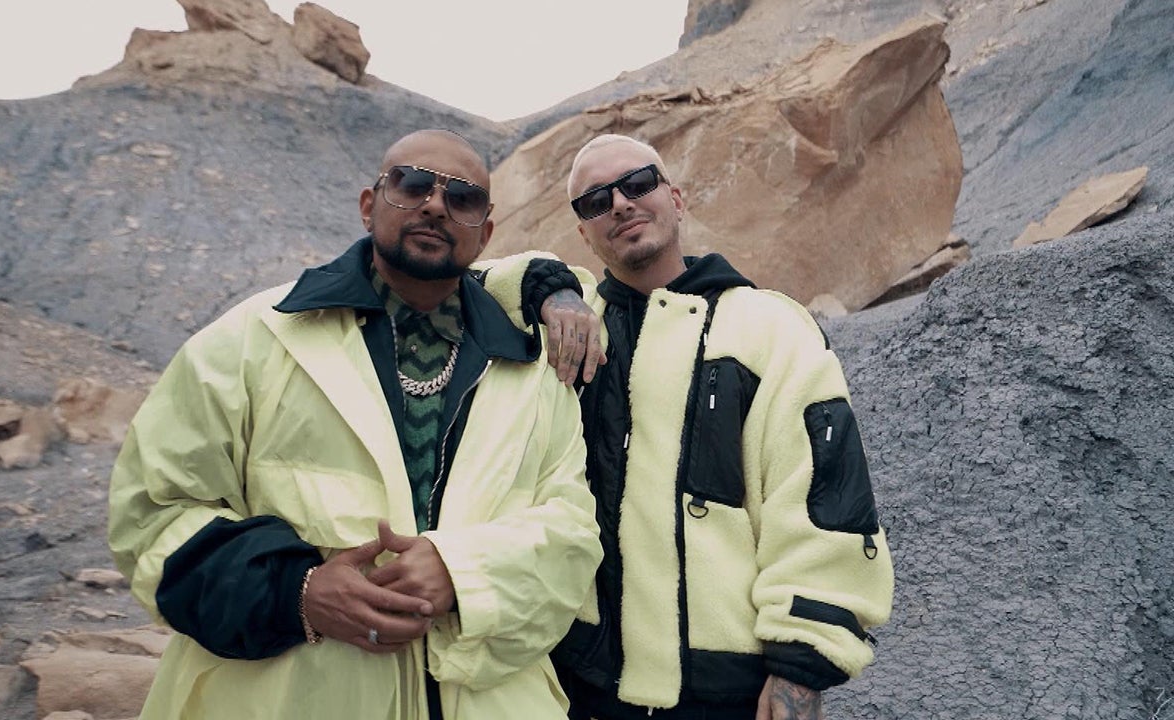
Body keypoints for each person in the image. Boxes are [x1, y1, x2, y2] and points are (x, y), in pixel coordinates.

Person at [107, 128, 603, 720]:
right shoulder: (252, 341)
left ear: (486, 233)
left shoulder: (536, 371)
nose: (435, 205)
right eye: (412, 184)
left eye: (462, 198)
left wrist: (462, 573)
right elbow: (152, 513)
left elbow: (573, 534)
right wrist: (297, 592)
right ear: (369, 205)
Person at [508, 134, 895, 719]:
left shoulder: (768, 327)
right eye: (595, 200)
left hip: (725, 693)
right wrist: (551, 288)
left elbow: (822, 494)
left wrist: (801, 665)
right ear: (583, 233)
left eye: (638, 183)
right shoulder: (573, 326)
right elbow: (466, 280)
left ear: (676, 198)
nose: (620, 204)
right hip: (582, 686)